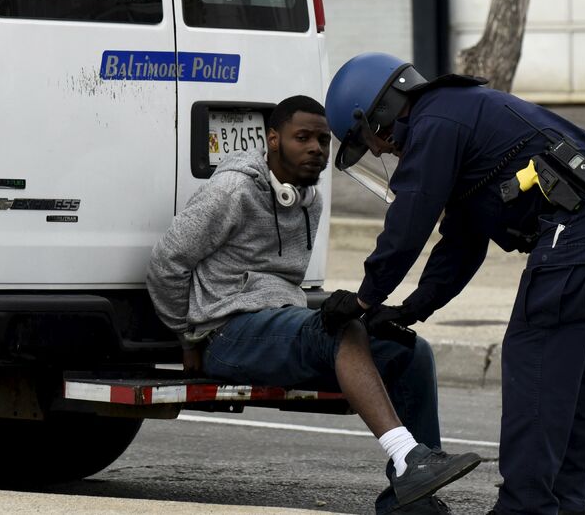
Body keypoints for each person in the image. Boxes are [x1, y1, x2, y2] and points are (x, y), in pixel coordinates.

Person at [324, 53, 585, 515]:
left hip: (582, 224)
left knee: (535, 368)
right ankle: (561, 507)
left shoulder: (434, 122)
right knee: (571, 381)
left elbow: (409, 221)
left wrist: (365, 295)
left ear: (377, 113)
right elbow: (462, 242)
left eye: (369, 142)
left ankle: (524, 509)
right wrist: (412, 307)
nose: (379, 152)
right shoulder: (460, 113)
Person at [146, 95, 480, 514]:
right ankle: (409, 456)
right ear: (272, 140)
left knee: (410, 352)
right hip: (228, 332)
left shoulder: (310, 201)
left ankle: (410, 502)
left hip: (281, 324)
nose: (315, 149)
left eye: (323, 140)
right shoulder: (232, 190)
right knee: (341, 326)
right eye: (301, 137)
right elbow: (166, 263)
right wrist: (187, 336)